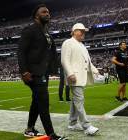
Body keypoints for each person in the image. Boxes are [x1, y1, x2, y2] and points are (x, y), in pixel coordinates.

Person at [17, 4, 67, 140]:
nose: (47, 14)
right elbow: (21, 51)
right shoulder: (30, 30)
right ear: (36, 16)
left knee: (37, 101)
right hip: (32, 73)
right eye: (44, 12)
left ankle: (29, 129)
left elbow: (49, 53)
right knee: (43, 102)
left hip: (43, 72)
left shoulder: (47, 33)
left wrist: (53, 69)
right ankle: (51, 135)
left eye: (48, 12)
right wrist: (24, 71)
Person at [61, 23, 99, 136]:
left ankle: (72, 123)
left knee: (75, 100)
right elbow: (64, 60)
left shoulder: (82, 45)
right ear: (73, 32)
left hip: (80, 76)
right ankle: (87, 126)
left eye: (84, 31)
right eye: (80, 31)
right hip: (74, 76)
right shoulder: (68, 42)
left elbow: (88, 62)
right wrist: (70, 73)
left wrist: (95, 70)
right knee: (79, 99)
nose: (83, 33)